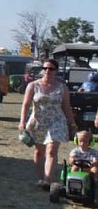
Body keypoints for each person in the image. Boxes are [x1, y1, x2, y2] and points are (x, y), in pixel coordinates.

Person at [18, 57, 77, 189]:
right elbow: (25, 105)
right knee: (39, 152)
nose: (47, 71)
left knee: (51, 150)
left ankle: (47, 180)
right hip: (38, 122)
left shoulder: (62, 88)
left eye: (51, 68)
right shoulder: (33, 85)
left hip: (56, 121)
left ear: (56, 71)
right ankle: (41, 178)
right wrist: (22, 122)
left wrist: (72, 124)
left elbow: (66, 107)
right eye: (45, 68)